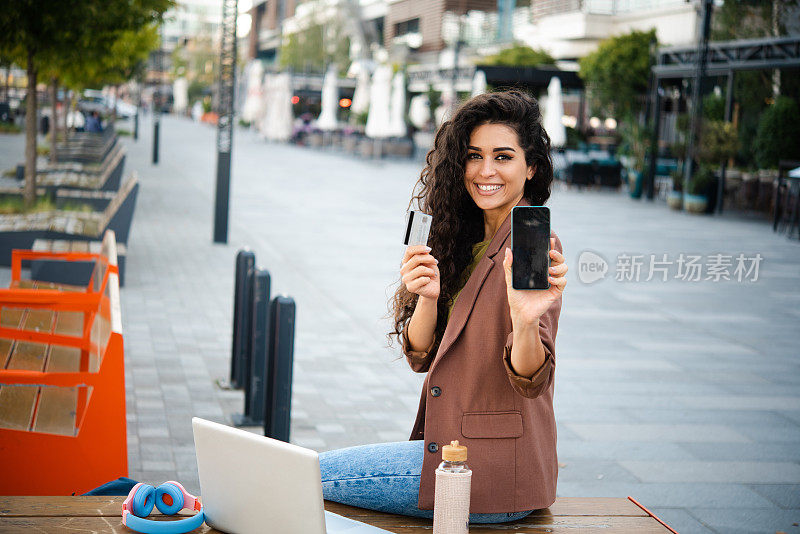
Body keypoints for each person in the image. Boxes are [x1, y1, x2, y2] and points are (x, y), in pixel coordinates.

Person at [319, 90, 567, 523]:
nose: (485, 171)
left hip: (494, 469)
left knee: (307, 475)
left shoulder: (531, 240)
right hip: (453, 452)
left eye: (503, 157)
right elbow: (422, 356)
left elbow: (531, 379)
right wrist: (427, 299)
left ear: (531, 167)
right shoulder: (459, 236)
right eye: (474, 156)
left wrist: (526, 321)